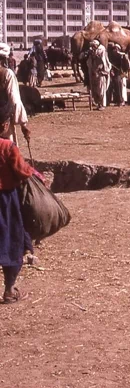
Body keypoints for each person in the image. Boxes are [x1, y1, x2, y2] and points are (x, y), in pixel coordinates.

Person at [0, 107, 37, 304]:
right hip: (6, 202)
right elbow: (23, 172)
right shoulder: (8, 147)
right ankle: (9, 290)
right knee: (12, 242)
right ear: (5, 125)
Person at [0, 43, 31, 145]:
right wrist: (23, 124)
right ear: (4, 59)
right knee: (7, 155)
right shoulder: (7, 74)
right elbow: (15, 100)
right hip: (3, 123)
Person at [87, 40, 111, 110]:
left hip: (100, 73)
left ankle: (102, 104)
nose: (92, 47)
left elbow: (103, 60)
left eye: (93, 46)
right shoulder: (92, 51)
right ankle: (98, 104)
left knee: (101, 89)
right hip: (94, 73)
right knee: (95, 89)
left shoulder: (102, 49)